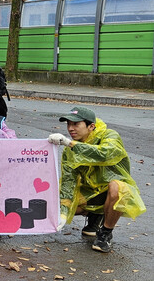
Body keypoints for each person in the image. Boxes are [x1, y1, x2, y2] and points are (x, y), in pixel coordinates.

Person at [48, 106, 146, 253]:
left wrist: (71, 144)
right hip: (91, 193)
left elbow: (104, 154)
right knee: (56, 205)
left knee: (117, 188)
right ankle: (95, 216)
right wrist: (63, 212)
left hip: (112, 191)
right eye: (68, 124)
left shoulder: (109, 136)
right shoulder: (70, 150)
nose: (70, 128)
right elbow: (68, 182)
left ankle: (105, 233)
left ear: (91, 126)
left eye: (76, 124)